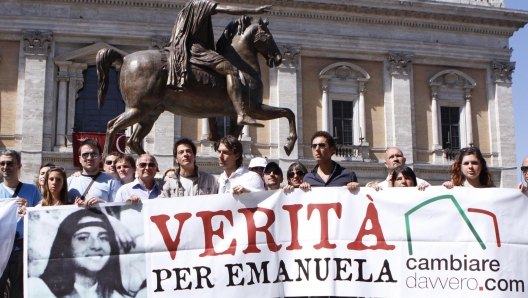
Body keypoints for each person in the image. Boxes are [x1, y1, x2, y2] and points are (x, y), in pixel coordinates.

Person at [165, 0, 271, 127]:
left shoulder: (187, 8)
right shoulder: (201, 3)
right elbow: (226, 8)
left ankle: (213, 129)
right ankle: (241, 114)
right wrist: (255, 10)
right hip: (197, 49)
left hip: (185, 48)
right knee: (231, 70)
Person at [27, 208, 131, 298]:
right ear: (65, 247)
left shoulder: (117, 296)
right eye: (83, 238)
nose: (96, 246)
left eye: (103, 238)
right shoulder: (37, 288)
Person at [0, 149, 41, 297]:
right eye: (2, 163)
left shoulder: (32, 190)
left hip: (21, 250)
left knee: (19, 292)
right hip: (0, 249)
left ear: (19, 166)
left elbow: (41, 218)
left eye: (10, 163)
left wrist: (29, 211)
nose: (5, 167)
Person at [68, 139, 121, 207]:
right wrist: (74, 206)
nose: (89, 158)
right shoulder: (69, 181)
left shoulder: (112, 182)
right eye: (85, 155)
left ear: (100, 158)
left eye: (94, 155)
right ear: (79, 159)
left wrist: (103, 203)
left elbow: (118, 209)